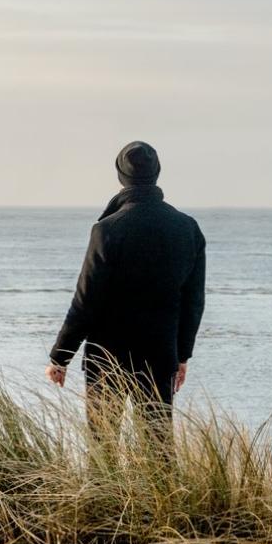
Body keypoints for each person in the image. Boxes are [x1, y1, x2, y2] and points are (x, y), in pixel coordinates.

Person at [46, 141, 207, 451]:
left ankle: (105, 501)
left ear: (121, 176)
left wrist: (60, 356)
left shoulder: (107, 230)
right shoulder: (187, 229)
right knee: (158, 446)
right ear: (157, 173)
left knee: (102, 449)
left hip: (107, 355)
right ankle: (165, 501)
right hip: (160, 351)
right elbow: (193, 301)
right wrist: (182, 355)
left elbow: (86, 299)